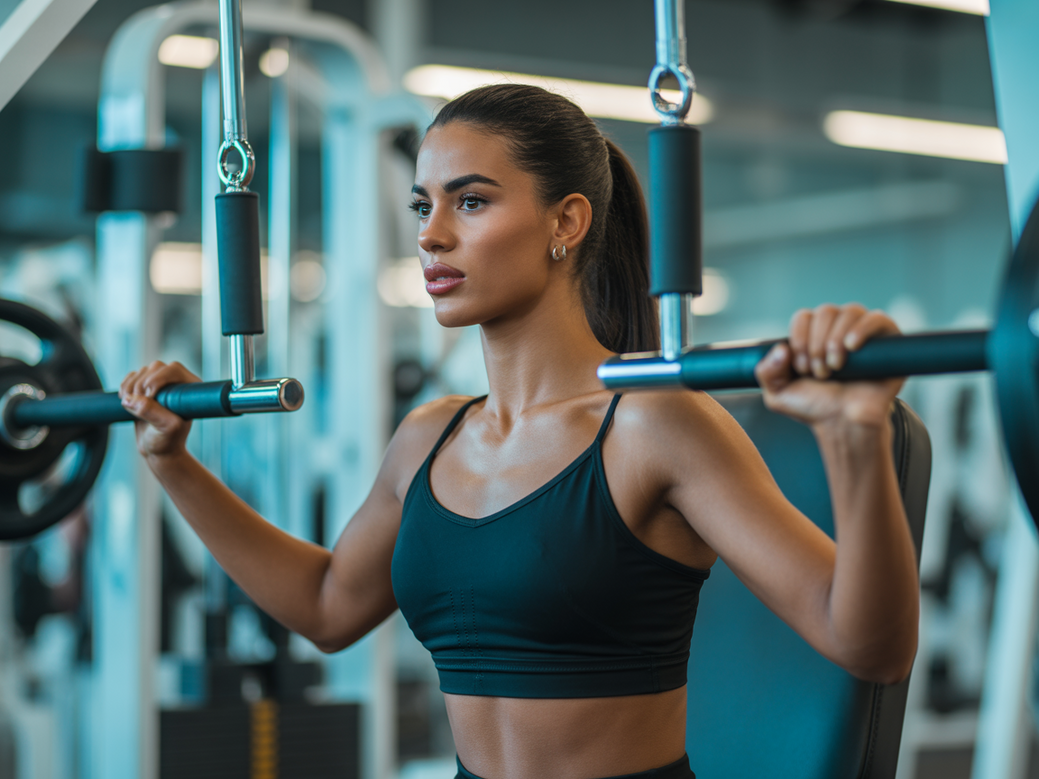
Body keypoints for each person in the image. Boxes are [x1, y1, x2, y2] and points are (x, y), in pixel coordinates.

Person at [119, 84, 919, 779]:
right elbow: (328, 607)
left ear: (565, 220)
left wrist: (856, 436)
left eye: (469, 201)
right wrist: (172, 462)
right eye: (422, 205)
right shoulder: (428, 436)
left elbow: (868, 646)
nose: (431, 234)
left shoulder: (653, 423)